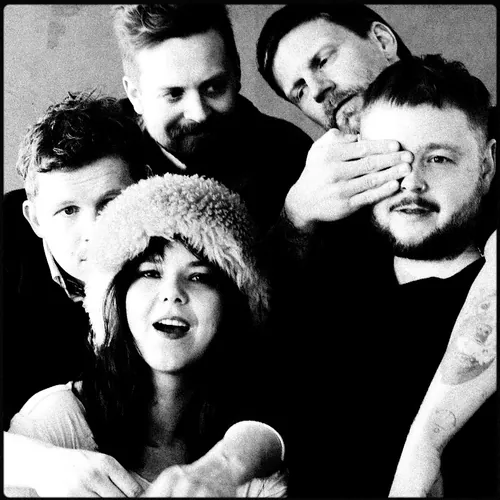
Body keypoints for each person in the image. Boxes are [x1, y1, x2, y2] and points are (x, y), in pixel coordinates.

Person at [266, 54, 497, 497]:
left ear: (487, 165)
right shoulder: (327, 296)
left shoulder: (485, 303)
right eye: (391, 160)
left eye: (439, 159)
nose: (412, 182)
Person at [6, 173, 287, 497]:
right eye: (151, 273)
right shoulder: (57, 421)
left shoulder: (253, 453)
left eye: (199, 277)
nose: (172, 293)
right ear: (117, 298)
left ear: (231, 304)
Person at [3, 91, 153, 497]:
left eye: (111, 202)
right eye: (68, 210)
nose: (95, 231)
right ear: (35, 219)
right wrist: (42, 464)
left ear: (144, 189)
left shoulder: (181, 248)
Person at [111, 4, 313, 232]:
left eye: (214, 87)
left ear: (236, 72)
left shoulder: (292, 154)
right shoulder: (102, 160)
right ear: (135, 96)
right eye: (174, 94)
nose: (198, 114)